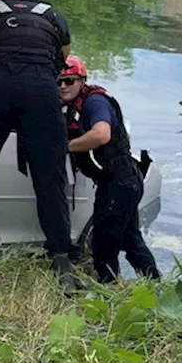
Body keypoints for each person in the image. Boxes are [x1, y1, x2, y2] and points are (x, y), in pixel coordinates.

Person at [0, 0, 83, 290]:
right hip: (41, 91)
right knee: (50, 176)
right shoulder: (52, 14)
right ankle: (61, 259)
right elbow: (63, 58)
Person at [58, 56, 160, 284]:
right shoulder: (70, 106)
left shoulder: (95, 103)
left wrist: (65, 148)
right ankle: (154, 284)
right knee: (131, 238)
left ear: (82, 80)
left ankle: (109, 287)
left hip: (120, 181)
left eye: (70, 80)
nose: (63, 86)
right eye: (59, 82)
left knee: (104, 242)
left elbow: (101, 135)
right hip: (120, 180)